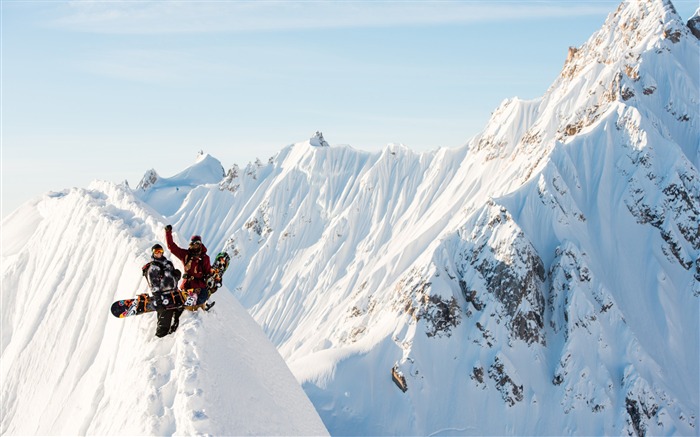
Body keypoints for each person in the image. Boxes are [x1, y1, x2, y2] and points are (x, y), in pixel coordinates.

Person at [164, 224, 212, 309]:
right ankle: (183, 303)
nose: (196, 245)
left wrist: (209, 281)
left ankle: (196, 303)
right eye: (194, 243)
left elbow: (208, 272)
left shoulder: (205, 258)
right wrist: (168, 233)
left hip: (200, 286)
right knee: (181, 298)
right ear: (191, 244)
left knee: (202, 296)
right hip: (187, 285)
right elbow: (172, 247)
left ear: (201, 244)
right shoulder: (185, 255)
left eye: (198, 243)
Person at [146, 244, 181, 337]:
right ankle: (160, 339)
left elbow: (172, 277)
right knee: (164, 318)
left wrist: (177, 276)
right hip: (163, 296)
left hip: (174, 293)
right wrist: (158, 301)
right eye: (156, 251)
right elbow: (154, 286)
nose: (159, 253)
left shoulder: (168, 263)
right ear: (153, 253)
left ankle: (172, 335)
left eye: (160, 251)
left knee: (178, 314)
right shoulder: (153, 268)